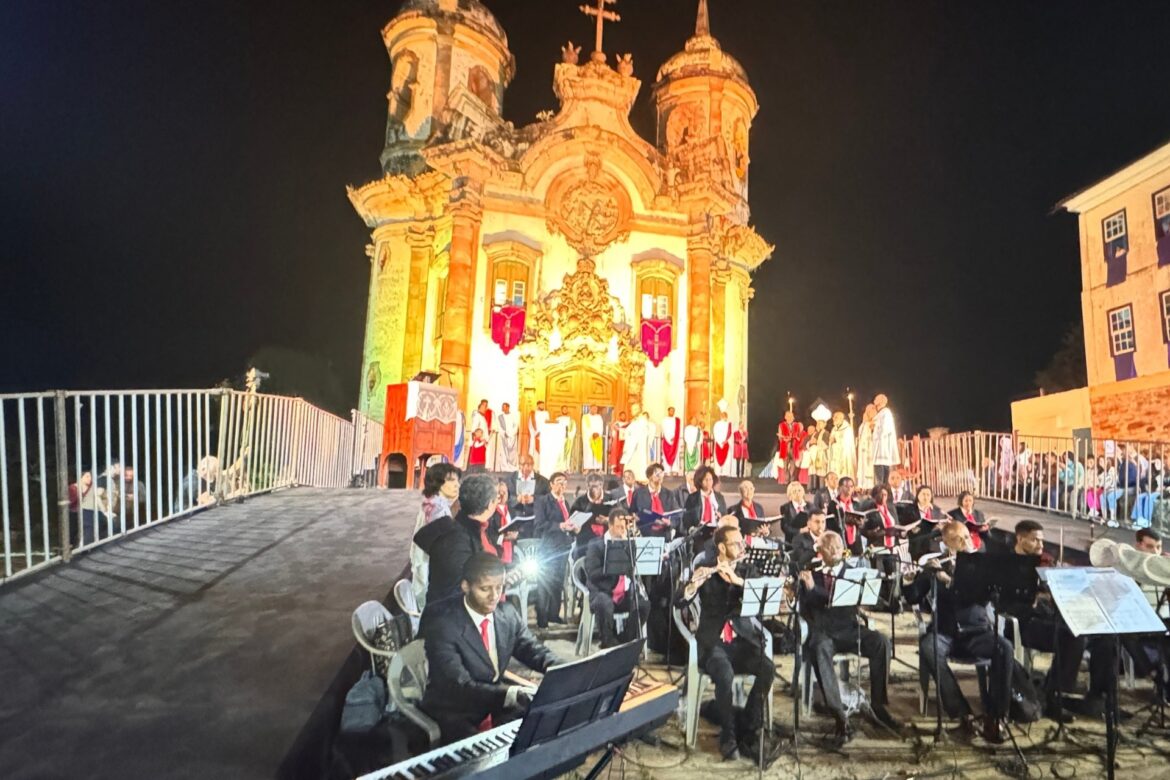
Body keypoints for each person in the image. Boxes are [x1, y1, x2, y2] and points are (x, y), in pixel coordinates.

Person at [420, 554, 563, 744]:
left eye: (499, 587)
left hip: (493, 702)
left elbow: (532, 650)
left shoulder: (507, 614)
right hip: (456, 709)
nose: (494, 596)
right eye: (485, 589)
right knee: (482, 757)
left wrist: (564, 668)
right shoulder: (444, 625)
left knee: (543, 725)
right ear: (465, 586)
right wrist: (511, 694)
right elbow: (459, 686)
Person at [903, 522, 1026, 740]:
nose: (965, 542)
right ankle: (962, 714)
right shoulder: (934, 565)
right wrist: (909, 579)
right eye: (958, 539)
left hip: (976, 632)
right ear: (946, 543)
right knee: (928, 647)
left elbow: (980, 597)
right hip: (946, 632)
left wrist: (950, 581)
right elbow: (913, 597)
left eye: (967, 537)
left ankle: (996, 717)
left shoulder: (980, 566)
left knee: (1005, 648)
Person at [678, 525, 775, 761]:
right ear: (721, 547)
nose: (742, 547)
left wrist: (738, 581)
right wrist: (693, 586)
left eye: (742, 542)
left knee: (767, 668)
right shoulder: (706, 568)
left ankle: (749, 727)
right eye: (736, 543)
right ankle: (728, 735)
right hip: (713, 643)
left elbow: (763, 599)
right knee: (725, 675)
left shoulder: (747, 570)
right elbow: (678, 601)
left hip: (742, 641)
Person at [797, 531, 899, 744]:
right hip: (824, 633)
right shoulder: (811, 575)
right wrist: (807, 590)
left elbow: (842, 600)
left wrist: (815, 590)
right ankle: (839, 715)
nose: (834, 551)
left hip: (849, 629)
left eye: (837, 547)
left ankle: (878, 706)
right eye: (829, 548)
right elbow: (804, 607)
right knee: (819, 648)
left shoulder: (853, 574)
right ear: (820, 551)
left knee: (881, 642)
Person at [1000, 520, 1109, 719]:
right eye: (1035, 540)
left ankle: (1093, 698)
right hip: (1022, 623)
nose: (1041, 545)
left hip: (1047, 618)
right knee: (1072, 638)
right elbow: (1004, 603)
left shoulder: (1043, 563)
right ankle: (1054, 697)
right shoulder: (1006, 564)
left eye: (1042, 541)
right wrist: (1034, 598)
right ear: (1020, 538)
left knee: (1101, 637)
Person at [415, 474, 499, 631]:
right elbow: (459, 589)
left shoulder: (468, 527)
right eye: (496, 499)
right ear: (489, 505)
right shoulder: (457, 539)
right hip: (452, 627)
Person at [584, 510, 651, 648]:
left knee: (644, 604)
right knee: (604, 604)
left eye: (625, 527)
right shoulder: (595, 545)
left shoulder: (630, 545)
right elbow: (592, 573)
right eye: (619, 527)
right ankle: (608, 642)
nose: (623, 530)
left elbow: (637, 570)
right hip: (602, 592)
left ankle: (625, 641)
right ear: (610, 526)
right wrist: (613, 567)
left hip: (625, 594)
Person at [409, 463, 462, 606]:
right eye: (451, 480)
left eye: (457, 480)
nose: (457, 485)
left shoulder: (434, 503)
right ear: (438, 482)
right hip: (429, 567)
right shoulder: (437, 508)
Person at [863, 485, 917, 612]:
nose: (883, 497)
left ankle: (893, 603)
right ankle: (878, 604)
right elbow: (863, 530)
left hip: (892, 547)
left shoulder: (891, 507)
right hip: (877, 547)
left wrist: (901, 532)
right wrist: (874, 533)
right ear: (874, 496)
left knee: (894, 576)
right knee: (879, 576)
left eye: (886, 494)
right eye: (880, 494)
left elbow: (896, 524)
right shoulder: (869, 509)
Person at [534, 472, 573, 628]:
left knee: (558, 580)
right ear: (551, 484)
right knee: (545, 582)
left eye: (564, 482)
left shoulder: (565, 502)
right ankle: (542, 617)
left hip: (563, 546)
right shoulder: (543, 501)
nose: (562, 485)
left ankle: (553, 614)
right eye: (558, 481)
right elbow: (539, 524)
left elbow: (567, 522)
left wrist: (573, 528)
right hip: (549, 547)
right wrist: (560, 526)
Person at [630, 463, 681, 536]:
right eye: (657, 473)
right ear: (649, 476)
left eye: (661, 473)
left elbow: (677, 515)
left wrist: (670, 523)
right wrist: (636, 518)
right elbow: (632, 512)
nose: (660, 476)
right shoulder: (638, 493)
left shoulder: (669, 494)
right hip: (644, 534)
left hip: (664, 534)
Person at [682, 465, 727, 537]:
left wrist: (720, 517)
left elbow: (725, 516)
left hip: (716, 531)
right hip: (699, 532)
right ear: (700, 481)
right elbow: (686, 518)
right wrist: (691, 529)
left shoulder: (719, 497)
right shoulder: (692, 498)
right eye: (706, 480)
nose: (708, 482)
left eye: (710, 479)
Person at [826, 476, 864, 558]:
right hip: (841, 540)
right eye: (846, 486)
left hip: (856, 542)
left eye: (851, 486)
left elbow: (861, 523)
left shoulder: (856, 504)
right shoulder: (833, 504)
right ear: (840, 488)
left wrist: (861, 523)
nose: (849, 489)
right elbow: (830, 524)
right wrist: (843, 522)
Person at [570, 474, 611, 550]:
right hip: (584, 544)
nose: (594, 489)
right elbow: (571, 524)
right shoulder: (580, 502)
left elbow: (619, 517)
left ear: (602, 485)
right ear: (587, 486)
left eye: (596, 486)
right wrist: (575, 528)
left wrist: (608, 520)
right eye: (591, 486)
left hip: (606, 543)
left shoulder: (611, 499)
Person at [505, 455, 550, 523]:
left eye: (529, 464)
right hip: (514, 518)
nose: (526, 467)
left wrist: (534, 499)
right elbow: (504, 498)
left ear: (533, 465)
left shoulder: (544, 481)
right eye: (523, 464)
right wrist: (517, 499)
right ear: (519, 465)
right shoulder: (509, 479)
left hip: (535, 519)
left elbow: (549, 499)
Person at [871, 394, 899, 487]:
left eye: (876, 399)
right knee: (881, 472)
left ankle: (881, 490)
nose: (874, 400)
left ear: (881, 401)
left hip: (882, 447)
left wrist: (874, 427)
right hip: (879, 446)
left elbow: (885, 429)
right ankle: (883, 489)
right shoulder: (880, 413)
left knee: (881, 474)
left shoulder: (886, 413)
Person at [621, 408, 653, 478]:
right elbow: (627, 433)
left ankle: (638, 477)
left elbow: (647, 433)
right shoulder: (635, 423)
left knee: (639, 462)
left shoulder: (641, 422)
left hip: (639, 447)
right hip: (634, 447)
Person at [827, 411, 856, 481]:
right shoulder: (834, 429)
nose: (833, 419)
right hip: (835, 455)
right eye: (833, 417)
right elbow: (831, 441)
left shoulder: (847, 428)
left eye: (836, 417)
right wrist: (831, 441)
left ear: (841, 418)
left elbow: (847, 443)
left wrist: (835, 440)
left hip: (843, 455)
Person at [777, 411, 804, 485]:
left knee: (793, 465)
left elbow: (799, 435)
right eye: (788, 416)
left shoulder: (796, 425)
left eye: (791, 416)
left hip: (794, 448)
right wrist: (784, 439)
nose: (790, 418)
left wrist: (796, 438)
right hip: (785, 447)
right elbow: (780, 437)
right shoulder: (781, 425)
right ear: (785, 417)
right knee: (785, 466)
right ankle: (787, 479)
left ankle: (792, 480)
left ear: (793, 417)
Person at [855, 404, 877, 489]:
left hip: (871, 448)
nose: (870, 412)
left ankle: (871, 486)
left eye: (872, 410)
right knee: (863, 467)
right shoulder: (863, 425)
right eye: (868, 411)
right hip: (863, 450)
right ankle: (863, 486)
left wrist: (873, 430)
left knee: (870, 467)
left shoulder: (875, 422)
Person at [494, 401, 519, 472]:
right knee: (504, 452)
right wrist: (504, 433)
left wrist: (510, 434)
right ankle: (505, 467)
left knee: (513, 453)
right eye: (502, 407)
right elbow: (499, 427)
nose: (502, 408)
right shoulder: (500, 417)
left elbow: (516, 426)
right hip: (504, 436)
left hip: (512, 437)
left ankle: (513, 466)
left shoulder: (514, 416)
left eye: (504, 407)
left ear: (508, 407)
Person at [581, 404, 605, 473]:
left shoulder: (599, 417)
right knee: (589, 453)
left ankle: (598, 468)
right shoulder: (585, 417)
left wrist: (598, 434)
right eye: (593, 409)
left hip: (597, 437)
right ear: (590, 409)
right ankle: (587, 468)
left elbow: (601, 426)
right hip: (588, 438)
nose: (595, 410)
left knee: (597, 453)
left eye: (596, 409)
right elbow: (585, 427)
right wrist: (592, 434)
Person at [712, 405, 735, 478]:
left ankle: (723, 472)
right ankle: (720, 472)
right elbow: (715, 433)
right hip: (722, 443)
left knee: (726, 459)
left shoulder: (728, 424)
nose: (724, 417)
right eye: (723, 416)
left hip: (724, 444)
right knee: (720, 459)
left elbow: (730, 434)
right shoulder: (718, 424)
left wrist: (723, 441)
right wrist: (722, 442)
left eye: (725, 416)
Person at [661, 406, 683, 476]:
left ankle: (674, 469)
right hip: (666, 440)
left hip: (675, 441)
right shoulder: (664, 420)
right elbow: (664, 429)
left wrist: (675, 437)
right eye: (671, 411)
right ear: (668, 411)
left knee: (675, 455)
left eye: (673, 411)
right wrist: (669, 438)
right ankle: (667, 469)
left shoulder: (677, 420)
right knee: (666, 455)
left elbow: (678, 430)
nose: (672, 412)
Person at [556, 406, 576, 473]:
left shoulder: (571, 420)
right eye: (563, 409)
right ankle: (559, 469)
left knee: (567, 453)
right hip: (560, 439)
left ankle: (567, 468)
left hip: (568, 439)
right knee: (560, 453)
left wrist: (569, 435)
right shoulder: (557, 419)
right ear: (561, 410)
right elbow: (555, 429)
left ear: (567, 410)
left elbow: (573, 429)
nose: (565, 410)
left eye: (566, 409)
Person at [610, 411, 629, 475]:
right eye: (622, 416)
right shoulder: (616, 424)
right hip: (617, 442)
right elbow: (614, 433)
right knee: (616, 455)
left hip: (625, 442)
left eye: (624, 416)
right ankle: (615, 469)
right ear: (620, 416)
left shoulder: (628, 424)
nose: (623, 417)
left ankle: (623, 469)